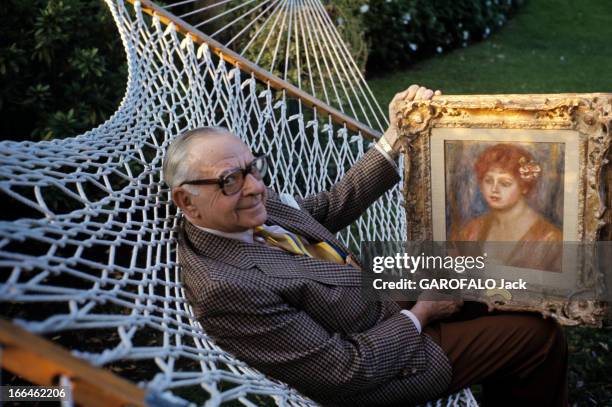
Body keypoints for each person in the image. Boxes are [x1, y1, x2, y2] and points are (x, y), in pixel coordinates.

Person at [164, 85, 568, 406]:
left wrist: (395, 137)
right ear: (186, 202)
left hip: (371, 287)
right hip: (388, 361)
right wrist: (423, 312)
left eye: (254, 168)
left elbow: (331, 205)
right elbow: (344, 371)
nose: (255, 187)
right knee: (538, 335)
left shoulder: (242, 210)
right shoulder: (226, 289)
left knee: (510, 280)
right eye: (230, 180)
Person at [453, 143, 563, 272]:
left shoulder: (550, 239)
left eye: (505, 183)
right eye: (488, 181)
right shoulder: (472, 231)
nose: (494, 189)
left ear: (524, 187)